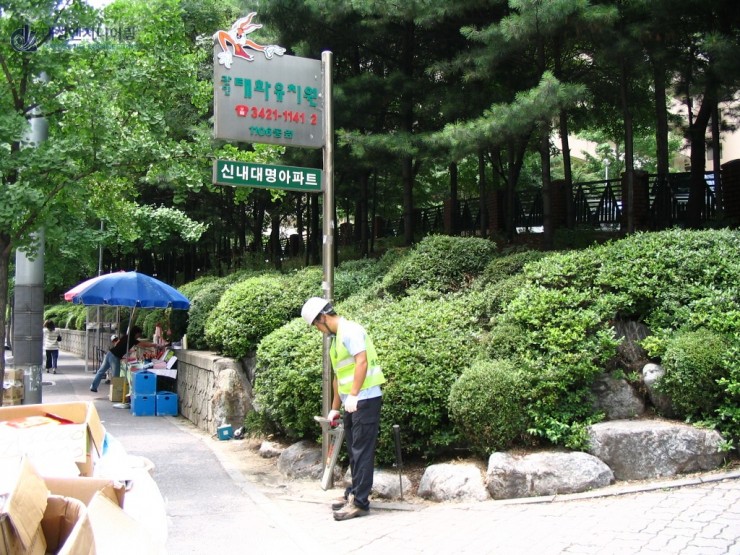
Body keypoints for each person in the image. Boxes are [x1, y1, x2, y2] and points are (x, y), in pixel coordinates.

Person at [301, 297, 386, 521]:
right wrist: (334, 408)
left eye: (316, 325)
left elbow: (362, 362)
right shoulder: (337, 339)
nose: (318, 330)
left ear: (323, 317)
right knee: (354, 451)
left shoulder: (350, 331)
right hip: (353, 402)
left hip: (365, 399)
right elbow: (339, 376)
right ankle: (354, 493)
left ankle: (360, 503)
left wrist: (355, 394)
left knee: (362, 451)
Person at [90, 325, 157, 392]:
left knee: (101, 371)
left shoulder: (126, 337)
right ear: (136, 333)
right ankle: (115, 393)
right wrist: (155, 345)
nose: (139, 336)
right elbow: (144, 345)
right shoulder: (132, 340)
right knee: (116, 376)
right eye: (139, 334)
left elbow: (118, 344)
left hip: (109, 353)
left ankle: (93, 386)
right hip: (115, 357)